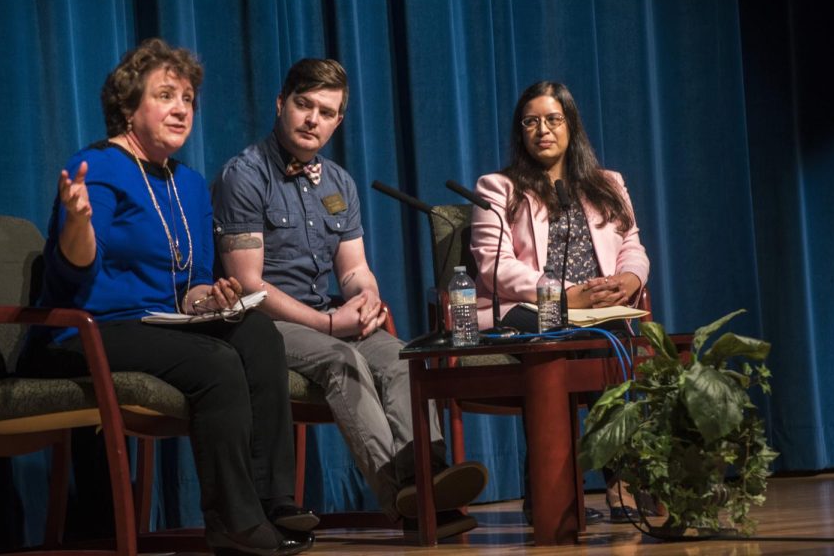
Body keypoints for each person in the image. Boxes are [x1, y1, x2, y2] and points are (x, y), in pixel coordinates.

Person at [17, 38, 314, 556]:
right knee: (216, 362)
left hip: (155, 324)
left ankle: (274, 502)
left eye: (189, 99)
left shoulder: (191, 185)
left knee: (257, 333)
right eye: (166, 95)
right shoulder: (97, 168)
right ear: (129, 107)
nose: (182, 108)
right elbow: (74, 268)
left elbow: (189, 283)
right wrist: (79, 224)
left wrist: (208, 298)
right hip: (85, 330)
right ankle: (233, 523)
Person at [210, 58, 488, 539]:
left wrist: (367, 299)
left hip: (329, 315)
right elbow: (250, 284)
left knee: (405, 358)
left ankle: (430, 480)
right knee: (343, 360)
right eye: (304, 105)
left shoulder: (339, 182)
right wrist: (330, 325)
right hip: (263, 326)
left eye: (326, 111)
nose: (313, 119)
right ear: (281, 104)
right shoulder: (246, 175)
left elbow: (355, 269)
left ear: (338, 121)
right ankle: (404, 498)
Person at [470, 81, 651, 524]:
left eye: (553, 119)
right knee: (576, 344)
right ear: (520, 132)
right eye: (531, 122)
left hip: (600, 308)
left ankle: (615, 483)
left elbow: (632, 244)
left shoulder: (608, 183)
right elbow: (494, 266)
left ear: (571, 125)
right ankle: (556, 493)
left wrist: (629, 278)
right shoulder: (498, 188)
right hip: (528, 310)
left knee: (607, 338)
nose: (543, 130)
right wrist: (564, 293)